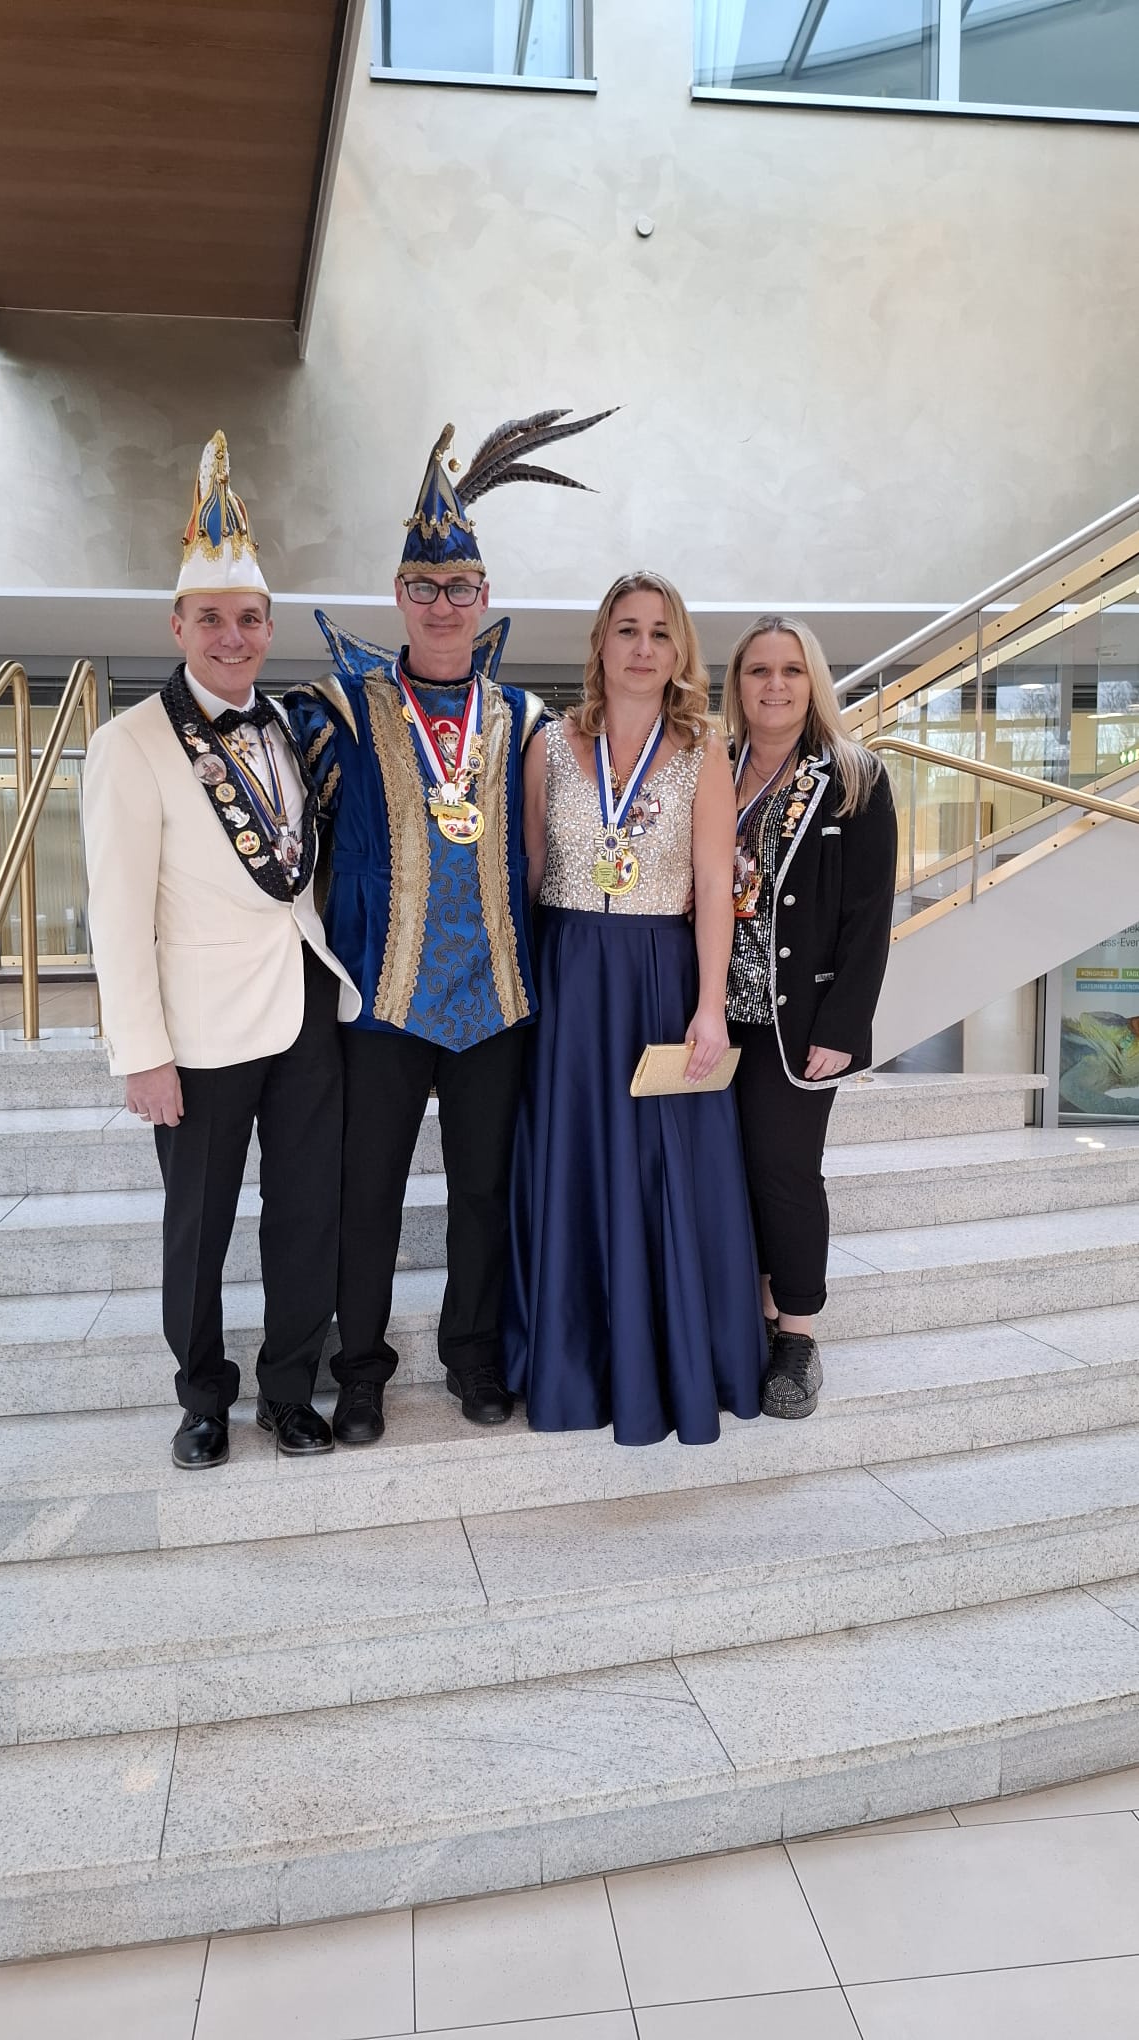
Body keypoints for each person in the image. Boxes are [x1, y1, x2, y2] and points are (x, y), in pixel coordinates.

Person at [285, 407, 613, 1444]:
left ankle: (474, 1355)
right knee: (367, 1198)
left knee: (481, 1193)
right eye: (423, 588)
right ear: (398, 596)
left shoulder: (527, 723)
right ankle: (361, 1372)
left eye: (459, 587)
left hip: (496, 1005)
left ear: (484, 597)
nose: (441, 605)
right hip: (381, 1004)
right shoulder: (337, 713)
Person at [83, 431, 361, 1469]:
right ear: (178, 626)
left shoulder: (288, 725)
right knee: (197, 1227)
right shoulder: (127, 744)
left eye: (248, 619)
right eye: (211, 618)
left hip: (303, 1006)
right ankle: (202, 1397)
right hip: (194, 1030)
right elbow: (116, 914)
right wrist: (140, 1052)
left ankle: (290, 1389)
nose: (232, 637)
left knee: (307, 1215)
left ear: (268, 626)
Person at [504, 570, 765, 1446]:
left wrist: (709, 1008)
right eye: (627, 629)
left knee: (662, 1169)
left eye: (660, 631)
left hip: (658, 979)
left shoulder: (703, 752)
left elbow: (714, 889)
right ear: (601, 644)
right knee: (572, 1162)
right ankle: (572, 1361)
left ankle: (670, 1363)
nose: (643, 647)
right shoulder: (547, 745)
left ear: (679, 648)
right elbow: (530, 875)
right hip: (569, 980)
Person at [724, 614, 897, 1419]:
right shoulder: (713, 768)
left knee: (785, 1172)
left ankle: (795, 1333)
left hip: (795, 1023)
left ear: (813, 681)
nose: (775, 684)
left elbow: (868, 916)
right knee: (727, 1171)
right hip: (715, 1014)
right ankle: (749, 1315)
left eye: (791, 670)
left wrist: (842, 1027)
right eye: (759, 670)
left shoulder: (854, 777)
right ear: (738, 683)